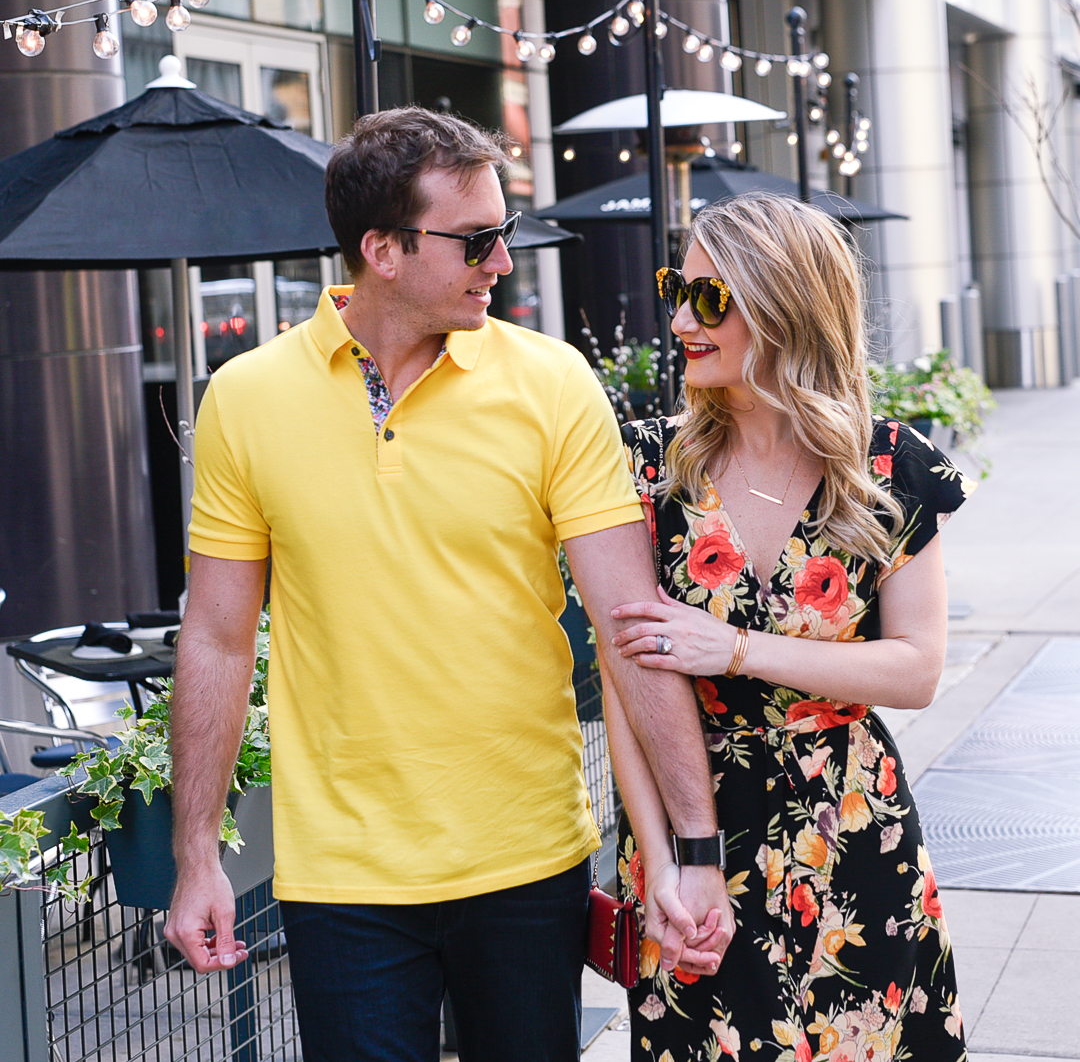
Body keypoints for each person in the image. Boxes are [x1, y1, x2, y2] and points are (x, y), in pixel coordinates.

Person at [162, 105, 725, 1062]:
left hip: (525, 860)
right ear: (381, 249)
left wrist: (693, 851)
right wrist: (195, 855)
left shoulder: (553, 384)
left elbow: (631, 626)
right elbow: (217, 636)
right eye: (477, 240)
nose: (502, 261)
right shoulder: (246, 399)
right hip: (341, 878)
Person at [604, 193, 975, 1061]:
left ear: (782, 304)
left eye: (708, 298)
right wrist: (657, 858)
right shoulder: (646, 469)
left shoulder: (887, 468)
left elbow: (918, 671)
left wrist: (734, 649)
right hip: (694, 833)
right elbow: (626, 689)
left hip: (851, 828)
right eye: (675, 287)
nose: (678, 318)